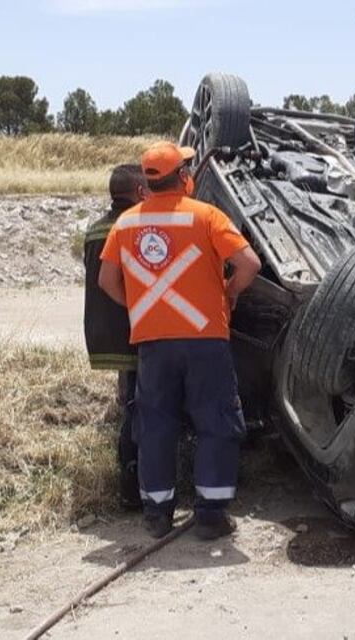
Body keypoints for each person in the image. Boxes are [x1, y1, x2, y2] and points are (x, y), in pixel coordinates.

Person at [99, 142, 262, 540]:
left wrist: (141, 306)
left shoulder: (126, 225)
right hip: (205, 338)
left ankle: (157, 514)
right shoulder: (206, 216)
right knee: (215, 422)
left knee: (155, 425)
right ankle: (210, 516)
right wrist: (229, 292)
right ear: (184, 178)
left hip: (154, 343)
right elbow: (250, 264)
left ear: (148, 184)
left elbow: (106, 281)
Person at [83, 164, 148, 511]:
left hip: (103, 330)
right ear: (139, 192)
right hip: (133, 330)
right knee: (139, 409)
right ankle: (131, 485)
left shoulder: (95, 229)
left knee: (130, 402)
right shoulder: (134, 228)